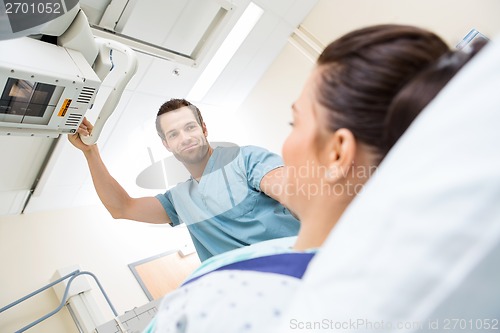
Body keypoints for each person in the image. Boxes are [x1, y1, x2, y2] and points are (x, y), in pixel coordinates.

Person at [142, 24, 451, 333]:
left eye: (295, 122)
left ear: (339, 152)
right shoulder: (401, 266)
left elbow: (283, 186)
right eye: (173, 133)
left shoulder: (202, 305)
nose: (284, 149)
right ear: (166, 143)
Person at [69, 98, 300, 261]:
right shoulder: (179, 200)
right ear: (166, 144)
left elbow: (294, 192)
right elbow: (121, 208)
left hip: (299, 266)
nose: (185, 138)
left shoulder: (246, 159)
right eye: (173, 134)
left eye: (190, 127)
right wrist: (90, 152)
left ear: (204, 129)